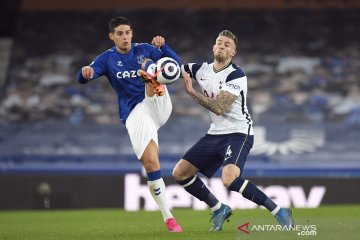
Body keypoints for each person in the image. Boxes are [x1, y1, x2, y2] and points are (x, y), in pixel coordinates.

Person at [173, 30, 294, 231]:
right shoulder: (200, 69)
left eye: (227, 44)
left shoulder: (236, 74)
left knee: (229, 179)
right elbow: (173, 69)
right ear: (213, 47)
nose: (222, 46)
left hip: (239, 133)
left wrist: (192, 92)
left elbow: (219, 108)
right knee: (180, 173)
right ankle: (219, 208)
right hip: (215, 133)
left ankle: (279, 211)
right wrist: (158, 54)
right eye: (219, 42)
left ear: (233, 53)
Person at [76, 16, 182, 232]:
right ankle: (168, 217)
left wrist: (165, 46)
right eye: (120, 34)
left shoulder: (145, 49)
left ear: (132, 33)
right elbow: (83, 76)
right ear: (112, 36)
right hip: (135, 113)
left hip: (157, 102)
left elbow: (176, 66)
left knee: (150, 67)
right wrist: (85, 73)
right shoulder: (106, 59)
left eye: (127, 32)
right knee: (151, 164)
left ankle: (151, 75)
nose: (124, 37)